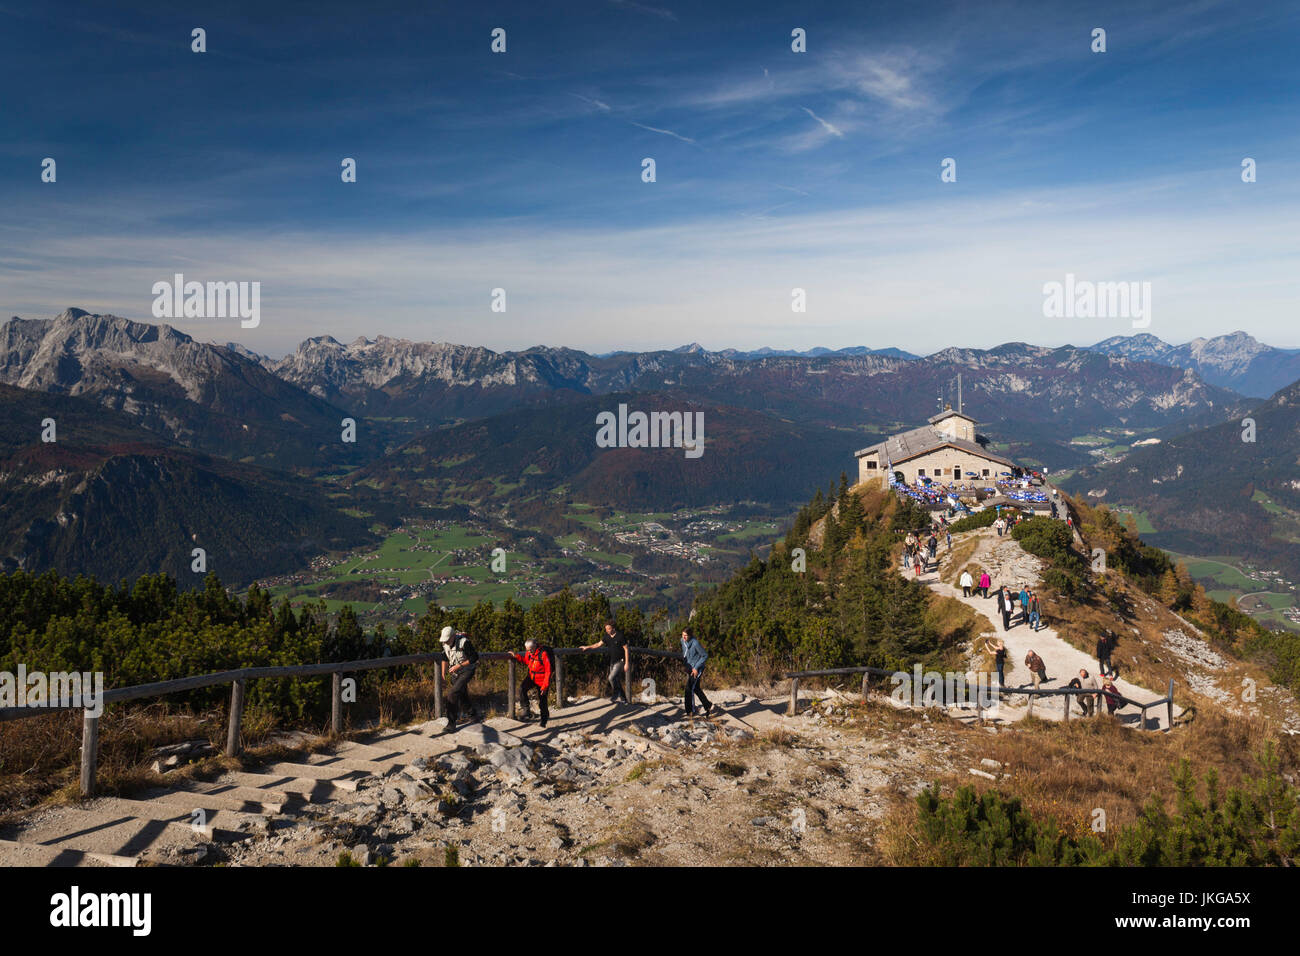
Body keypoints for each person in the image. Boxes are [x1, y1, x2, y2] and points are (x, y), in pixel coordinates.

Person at [439, 625, 480, 729]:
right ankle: (473, 715)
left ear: (453, 636)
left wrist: (459, 666)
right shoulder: (445, 645)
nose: (445, 642)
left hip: (467, 670)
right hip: (455, 673)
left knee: (453, 693)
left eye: (447, 639)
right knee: (461, 695)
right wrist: (443, 675)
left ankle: (451, 723)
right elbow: (444, 659)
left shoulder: (464, 642)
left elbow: (474, 657)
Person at [581, 620, 631, 704]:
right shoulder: (606, 637)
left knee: (611, 678)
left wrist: (627, 663)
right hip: (612, 661)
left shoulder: (620, 636)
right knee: (616, 680)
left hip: (620, 661)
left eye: (608, 629)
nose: (607, 630)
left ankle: (615, 694)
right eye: (606, 629)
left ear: (613, 628)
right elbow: (598, 644)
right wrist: (587, 647)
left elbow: (626, 649)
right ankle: (624, 699)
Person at [508, 638, 552, 728]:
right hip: (532, 678)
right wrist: (517, 656)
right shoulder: (529, 653)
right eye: (527, 650)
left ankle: (543, 722)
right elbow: (527, 662)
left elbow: (548, 671)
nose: (529, 651)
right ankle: (526, 709)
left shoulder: (543, 654)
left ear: (535, 645)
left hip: (542, 680)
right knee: (522, 688)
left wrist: (545, 686)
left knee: (542, 702)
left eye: (530, 649)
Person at [680, 628, 713, 717]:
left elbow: (705, 655)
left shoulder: (695, 643)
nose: (684, 637)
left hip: (697, 669)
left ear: (690, 635)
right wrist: (686, 665)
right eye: (682, 635)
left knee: (688, 689)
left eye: (686, 635)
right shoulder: (682, 641)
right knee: (696, 688)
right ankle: (707, 705)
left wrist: (696, 668)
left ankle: (690, 711)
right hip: (690, 668)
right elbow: (685, 654)